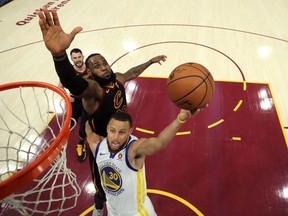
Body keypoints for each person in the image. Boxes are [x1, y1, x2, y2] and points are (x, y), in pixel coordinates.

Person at [38, 7, 167, 216]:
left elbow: (131, 72)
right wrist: (59, 55)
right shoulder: (94, 90)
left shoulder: (116, 79)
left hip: (122, 138)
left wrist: (151, 61)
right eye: (97, 66)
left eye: (104, 63)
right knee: (103, 186)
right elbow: (72, 82)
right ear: (91, 72)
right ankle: (98, 211)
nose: (104, 67)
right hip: (102, 146)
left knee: (127, 180)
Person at [85, 109, 203, 215]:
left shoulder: (134, 150)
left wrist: (179, 120)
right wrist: (84, 114)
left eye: (122, 132)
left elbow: (159, 143)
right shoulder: (97, 145)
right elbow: (88, 130)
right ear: (107, 129)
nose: (116, 137)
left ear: (129, 132)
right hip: (112, 211)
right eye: (112, 131)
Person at [58, 48, 91, 162]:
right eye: (75, 58)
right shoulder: (70, 72)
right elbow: (60, 86)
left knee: (84, 126)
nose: (78, 60)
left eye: (79, 57)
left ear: (83, 56)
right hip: (76, 102)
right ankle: (59, 143)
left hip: (88, 102)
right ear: (72, 59)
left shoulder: (90, 68)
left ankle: (81, 144)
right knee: (70, 123)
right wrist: (66, 96)